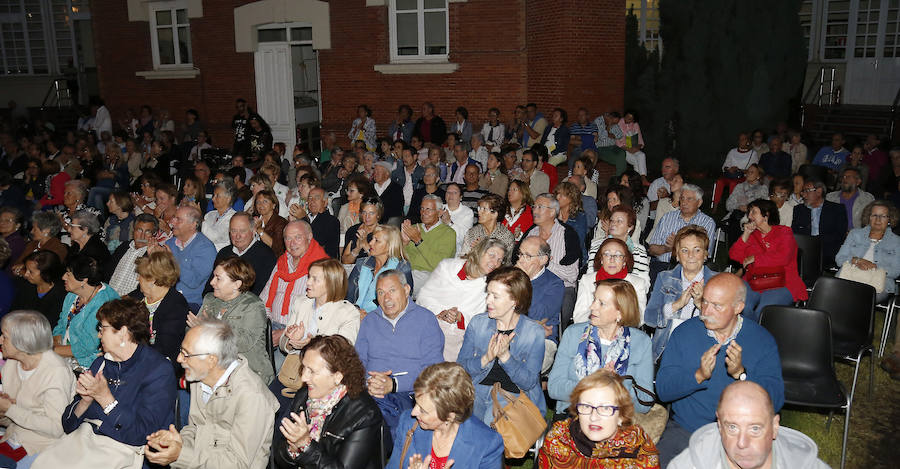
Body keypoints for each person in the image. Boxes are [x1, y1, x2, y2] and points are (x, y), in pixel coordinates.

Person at [655, 273, 784, 466]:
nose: (706, 311)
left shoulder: (760, 339)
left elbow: (776, 399)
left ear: (738, 307)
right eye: (705, 302)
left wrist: (742, 375)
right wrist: (698, 376)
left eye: (717, 306)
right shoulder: (684, 333)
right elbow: (663, 391)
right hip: (688, 430)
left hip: (741, 435)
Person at [35, 298, 176, 468]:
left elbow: (143, 434)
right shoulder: (100, 364)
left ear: (123, 332)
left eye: (103, 328)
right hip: (83, 444)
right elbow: (67, 424)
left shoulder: (158, 370)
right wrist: (85, 402)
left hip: (120, 452)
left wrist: (105, 399)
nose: (98, 334)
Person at [144, 320, 280, 469]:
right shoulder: (200, 377)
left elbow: (237, 464)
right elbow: (196, 428)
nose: (179, 359)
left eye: (186, 354)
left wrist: (180, 455)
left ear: (211, 360)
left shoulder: (252, 396)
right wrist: (176, 443)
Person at [270, 334, 385, 468]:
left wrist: (306, 446)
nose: (304, 377)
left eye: (312, 371)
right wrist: (293, 451)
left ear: (337, 377)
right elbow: (278, 455)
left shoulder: (364, 414)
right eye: (304, 368)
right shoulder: (304, 397)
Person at [355, 270, 444, 431]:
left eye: (392, 290)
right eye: (380, 293)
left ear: (406, 289)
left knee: (370, 415)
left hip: (410, 394)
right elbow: (358, 362)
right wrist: (370, 382)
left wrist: (394, 384)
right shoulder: (370, 321)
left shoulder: (426, 320)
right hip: (371, 391)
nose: (386, 298)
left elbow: (434, 370)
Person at [551, 279, 654, 417]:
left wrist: (615, 387)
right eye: (594, 299)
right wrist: (594, 383)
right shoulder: (573, 334)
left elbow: (645, 403)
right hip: (573, 416)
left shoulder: (641, 342)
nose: (592, 307)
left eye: (601, 303)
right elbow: (554, 388)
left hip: (617, 421)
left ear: (620, 313)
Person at [668, 381, 829, 469]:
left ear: (774, 427)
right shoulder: (688, 464)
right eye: (732, 427)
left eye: (755, 429)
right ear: (719, 425)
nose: (742, 443)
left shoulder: (806, 465)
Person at [457, 266, 546, 424]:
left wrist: (506, 358)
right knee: (456, 417)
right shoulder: (478, 324)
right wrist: (485, 359)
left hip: (514, 395)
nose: (488, 301)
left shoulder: (533, 333)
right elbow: (461, 368)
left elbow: (529, 382)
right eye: (488, 294)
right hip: (477, 390)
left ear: (515, 301)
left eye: (495, 296)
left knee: (491, 423)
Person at [387, 362, 504, 469]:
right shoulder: (408, 423)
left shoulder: (487, 444)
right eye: (416, 403)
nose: (413, 412)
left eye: (423, 410)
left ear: (450, 416)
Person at [538, 369, 660, 469]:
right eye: (586, 406)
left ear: (621, 416)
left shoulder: (640, 450)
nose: (593, 417)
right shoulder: (559, 439)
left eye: (605, 408)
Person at [0, 310, 74, 468]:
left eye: (4, 336)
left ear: (23, 342)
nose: (0, 341)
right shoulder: (11, 364)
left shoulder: (55, 371)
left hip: (42, 447)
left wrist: (9, 409)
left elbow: (57, 428)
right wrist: (2, 411)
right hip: (12, 437)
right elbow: (11, 420)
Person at [418, 239, 507, 361]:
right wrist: (441, 313)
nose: (495, 263)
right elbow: (424, 296)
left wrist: (460, 317)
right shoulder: (448, 267)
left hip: (456, 336)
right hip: (429, 321)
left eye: (499, 260)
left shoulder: (490, 286)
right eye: (492, 255)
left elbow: (480, 322)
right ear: (480, 252)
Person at [194, 257, 273, 383]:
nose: (212, 282)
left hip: (247, 374)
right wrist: (195, 329)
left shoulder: (252, 306)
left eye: (218, 278)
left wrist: (212, 327)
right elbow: (192, 333)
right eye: (213, 276)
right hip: (214, 368)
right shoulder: (210, 300)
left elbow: (243, 343)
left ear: (237, 284)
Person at [729, 199, 806, 319]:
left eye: (753, 212)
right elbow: (734, 255)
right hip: (754, 281)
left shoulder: (784, 232)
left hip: (782, 283)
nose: (749, 216)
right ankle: (747, 332)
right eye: (749, 212)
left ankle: (756, 334)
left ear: (766, 215)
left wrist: (755, 258)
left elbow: (783, 257)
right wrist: (746, 234)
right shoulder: (752, 235)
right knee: (742, 306)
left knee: (763, 310)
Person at [522, 193, 582, 327]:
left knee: (565, 298)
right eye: (534, 206)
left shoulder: (568, 234)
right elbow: (518, 262)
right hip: (530, 285)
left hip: (561, 287)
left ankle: (554, 336)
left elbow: (572, 275)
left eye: (540, 207)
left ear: (552, 212)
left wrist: (544, 264)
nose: (534, 210)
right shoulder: (530, 233)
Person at [52, 255, 119, 370]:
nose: (63, 277)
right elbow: (61, 325)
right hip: (63, 355)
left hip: (87, 365)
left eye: (68, 274)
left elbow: (86, 347)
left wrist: (51, 351)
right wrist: (56, 344)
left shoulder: (104, 303)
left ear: (83, 280)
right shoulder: (72, 294)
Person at [282, 258, 360, 356]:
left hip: (328, 370)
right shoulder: (301, 303)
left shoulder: (348, 313)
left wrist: (312, 345)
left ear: (331, 283)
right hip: (296, 365)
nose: (308, 282)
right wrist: (291, 341)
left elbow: (343, 353)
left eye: (315, 279)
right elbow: (283, 344)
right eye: (309, 277)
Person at [261, 220, 330, 330]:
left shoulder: (322, 266)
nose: (292, 244)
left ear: (309, 237)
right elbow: (264, 298)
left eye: (298, 237)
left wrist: (286, 333)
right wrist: (268, 324)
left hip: (302, 331)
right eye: (288, 238)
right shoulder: (282, 262)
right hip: (272, 325)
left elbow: (322, 312)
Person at [130, 251, 189, 365]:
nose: (137, 279)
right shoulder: (137, 297)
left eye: (140, 275)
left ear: (152, 280)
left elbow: (164, 348)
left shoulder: (176, 305)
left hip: (158, 364)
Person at [835, 200, 900, 304]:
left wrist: (873, 266)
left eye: (883, 216)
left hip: (878, 284)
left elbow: (896, 271)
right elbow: (839, 259)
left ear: (889, 219)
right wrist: (856, 260)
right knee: (833, 291)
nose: (878, 219)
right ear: (869, 217)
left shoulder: (896, 241)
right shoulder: (854, 234)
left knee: (862, 298)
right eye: (874, 215)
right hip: (850, 277)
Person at [648, 185, 716, 283]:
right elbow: (651, 249)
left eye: (689, 199)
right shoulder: (667, 217)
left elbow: (705, 254)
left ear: (699, 202)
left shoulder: (707, 223)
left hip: (690, 270)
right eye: (682, 198)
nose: (684, 202)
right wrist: (667, 248)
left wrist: (677, 247)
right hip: (662, 266)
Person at [514, 237, 563, 370]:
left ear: (543, 260)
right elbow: (497, 310)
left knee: (525, 367)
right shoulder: (509, 277)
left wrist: (521, 283)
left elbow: (538, 315)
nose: (520, 260)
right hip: (509, 334)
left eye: (528, 256)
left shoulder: (555, 284)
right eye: (520, 254)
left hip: (541, 341)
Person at [574, 238, 649, 323]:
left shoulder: (637, 283)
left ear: (624, 261)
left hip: (623, 329)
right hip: (592, 329)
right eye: (607, 254)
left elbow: (640, 318)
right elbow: (579, 317)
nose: (612, 260)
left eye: (618, 255)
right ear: (601, 259)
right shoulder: (587, 280)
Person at [156, 205, 217, 309]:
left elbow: (194, 282)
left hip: (189, 303)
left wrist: (172, 260)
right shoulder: (170, 243)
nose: (172, 222)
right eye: (174, 218)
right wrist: (155, 257)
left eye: (178, 219)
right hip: (164, 297)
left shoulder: (205, 248)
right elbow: (159, 275)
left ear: (193, 225)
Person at [206, 212, 277, 296]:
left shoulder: (266, 255)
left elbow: (258, 293)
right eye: (233, 231)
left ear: (253, 231)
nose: (237, 236)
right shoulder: (224, 253)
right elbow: (209, 288)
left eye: (242, 231)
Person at [347, 225, 413, 314]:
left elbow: (403, 303)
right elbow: (348, 297)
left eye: (376, 241)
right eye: (372, 239)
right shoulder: (361, 264)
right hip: (355, 314)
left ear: (390, 245)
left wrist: (371, 316)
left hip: (385, 316)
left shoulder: (401, 268)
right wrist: (354, 313)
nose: (370, 243)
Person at [403, 195, 457, 292]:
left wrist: (418, 241)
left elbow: (439, 264)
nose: (424, 213)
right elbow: (401, 258)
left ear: (439, 212)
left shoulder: (449, 233)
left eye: (429, 209)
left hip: (430, 276)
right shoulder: (414, 228)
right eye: (422, 209)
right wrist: (404, 243)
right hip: (407, 271)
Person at [791, 178, 848, 269]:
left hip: (828, 249)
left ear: (818, 191)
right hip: (805, 249)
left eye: (806, 191)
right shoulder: (799, 210)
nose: (803, 195)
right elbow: (795, 232)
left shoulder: (837, 209)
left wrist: (817, 241)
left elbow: (840, 234)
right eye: (803, 191)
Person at [10, 250, 67, 327]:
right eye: (26, 269)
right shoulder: (27, 285)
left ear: (46, 274)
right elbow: (13, 312)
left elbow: (49, 325)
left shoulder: (60, 295)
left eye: (31, 272)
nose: (26, 274)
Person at [458, 194, 515, 259]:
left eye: (484, 209)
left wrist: (482, 249)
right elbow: (462, 258)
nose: (479, 212)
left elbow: (505, 264)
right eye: (479, 208)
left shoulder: (506, 236)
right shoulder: (472, 233)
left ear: (495, 214)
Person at [713, 133, 758, 209]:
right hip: (730, 175)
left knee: (733, 184)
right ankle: (714, 206)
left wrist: (739, 170)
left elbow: (753, 170)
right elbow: (725, 166)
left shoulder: (753, 154)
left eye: (743, 139)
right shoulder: (732, 151)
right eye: (740, 139)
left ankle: (732, 206)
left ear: (748, 141)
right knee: (719, 182)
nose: (741, 141)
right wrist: (729, 169)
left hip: (742, 177)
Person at [342, 197, 383, 264]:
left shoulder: (383, 233)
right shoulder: (353, 230)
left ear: (378, 215)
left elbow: (379, 262)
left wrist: (364, 244)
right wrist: (357, 249)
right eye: (364, 212)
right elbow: (345, 262)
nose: (367, 216)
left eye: (371, 213)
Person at [304, 187, 341, 258]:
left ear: (325, 202)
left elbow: (315, 242)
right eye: (310, 198)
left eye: (317, 198)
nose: (312, 201)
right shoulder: (307, 217)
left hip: (323, 263)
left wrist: (303, 219)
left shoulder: (332, 221)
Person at [201, 180, 238, 252]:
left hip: (220, 256)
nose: (213, 199)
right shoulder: (210, 214)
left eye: (217, 196)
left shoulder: (233, 218)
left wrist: (200, 218)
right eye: (213, 195)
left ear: (228, 199)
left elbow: (213, 237)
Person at [439, 183, 472, 255]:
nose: (451, 195)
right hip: (436, 246)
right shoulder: (438, 208)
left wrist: (449, 223)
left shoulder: (467, 212)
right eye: (448, 192)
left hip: (456, 252)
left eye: (455, 192)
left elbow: (464, 238)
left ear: (461, 197)